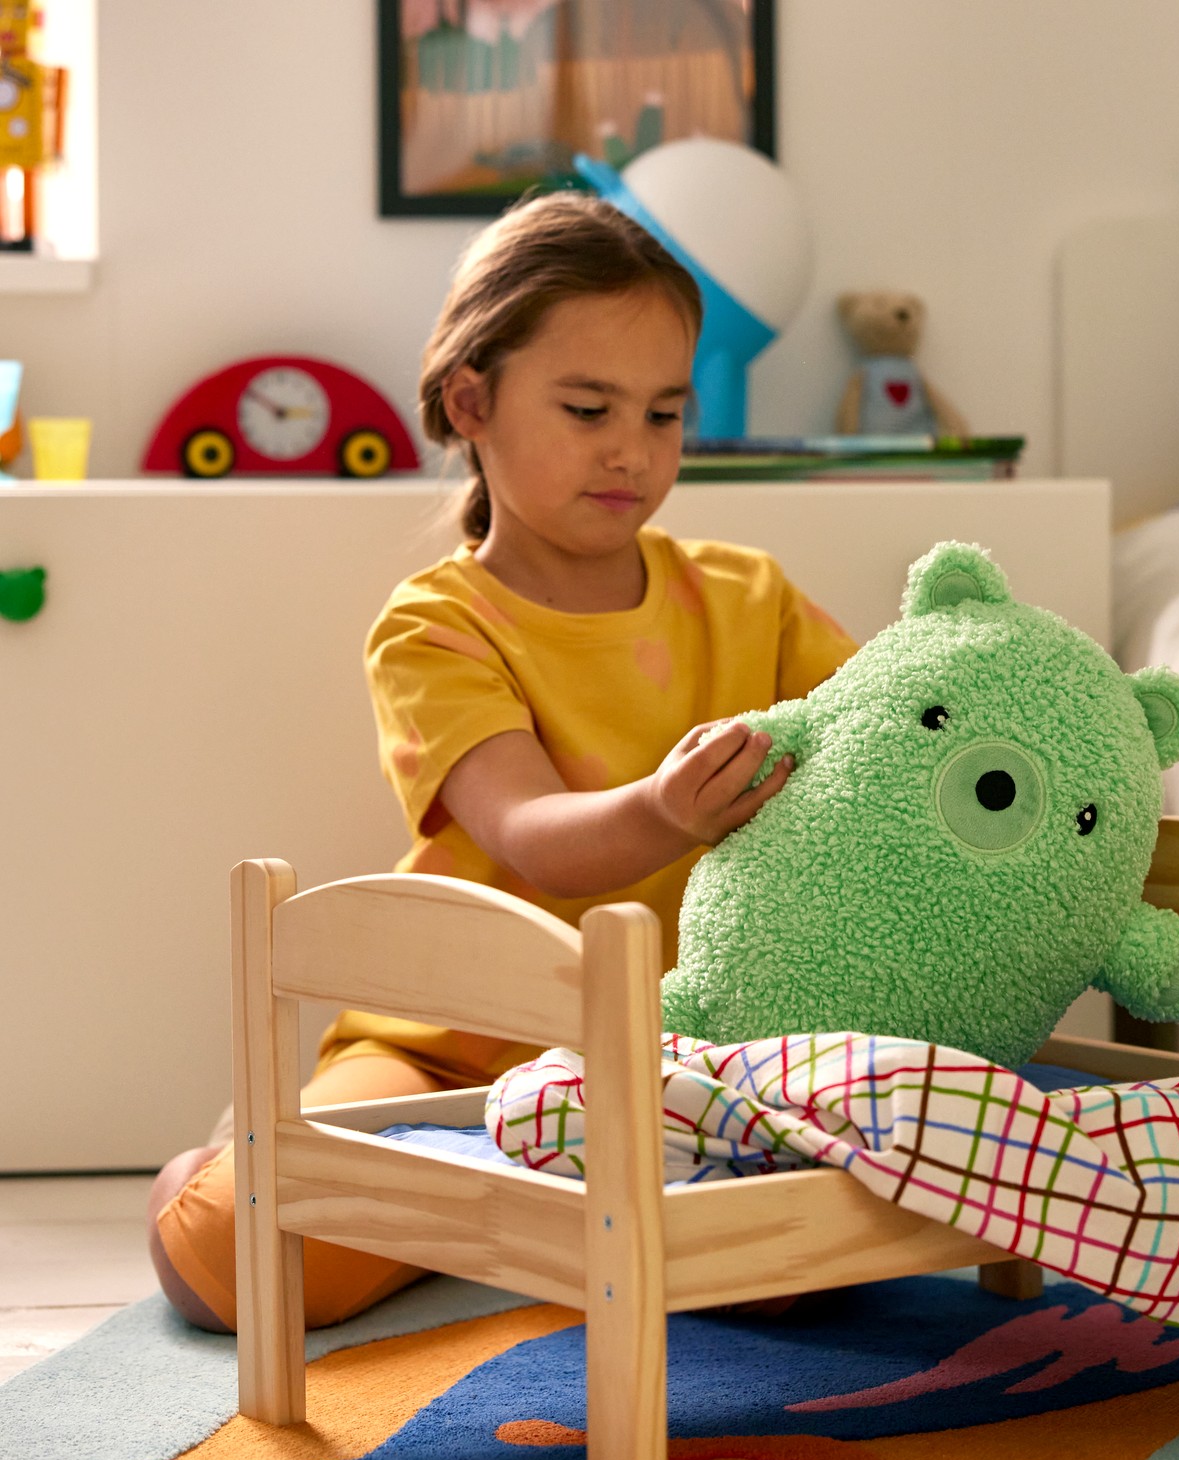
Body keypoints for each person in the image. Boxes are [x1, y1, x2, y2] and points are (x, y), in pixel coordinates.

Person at [147, 192, 856, 1332]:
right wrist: (670, 807)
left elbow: (881, 732)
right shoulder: (437, 624)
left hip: (680, 1053)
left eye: (666, 414)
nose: (631, 449)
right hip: (452, 1053)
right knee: (237, 1264)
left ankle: (504, 1211)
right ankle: (214, 1159)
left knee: (821, 1264)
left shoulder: (749, 596)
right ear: (469, 401)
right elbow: (533, 836)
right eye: (587, 408)